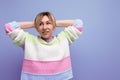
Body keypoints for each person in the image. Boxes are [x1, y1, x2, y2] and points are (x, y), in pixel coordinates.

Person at [5, 11, 83, 80]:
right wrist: (35, 23)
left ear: (54, 26)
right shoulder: (28, 40)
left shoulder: (64, 39)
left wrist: (54, 22)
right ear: (36, 27)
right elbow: (9, 27)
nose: (44, 27)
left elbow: (78, 24)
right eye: (40, 24)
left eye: (48, 23)